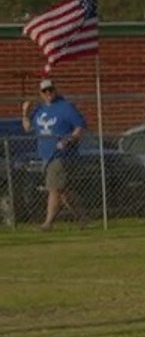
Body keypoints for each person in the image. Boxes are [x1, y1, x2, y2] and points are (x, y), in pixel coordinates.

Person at [22, 79, 86, 231]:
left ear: (55, 90)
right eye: (45, 91)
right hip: (46, 155)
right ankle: (84, 219)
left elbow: (80, 126)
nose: (48, 93)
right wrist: (25, 113)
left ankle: (47, 223)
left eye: (50, 90)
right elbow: (28, 128)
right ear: (41, 94)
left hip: (61, 155)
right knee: (63, 191)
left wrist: (69, 140)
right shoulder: (39, 110)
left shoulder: (65, 107)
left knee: (54, 189)